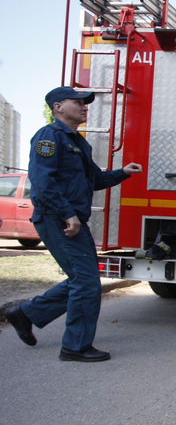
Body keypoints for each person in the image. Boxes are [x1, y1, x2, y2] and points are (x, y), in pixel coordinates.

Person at [3, 86, 142, 363]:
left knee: (83, 279)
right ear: (58, 106)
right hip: (58, 219)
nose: (84, 106)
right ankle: (75, 346)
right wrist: (68, 214)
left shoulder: (79, 142)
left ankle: (25, 313)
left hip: (72, 219)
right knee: (87, 282)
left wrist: (122, 173)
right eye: (77, 102)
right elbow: (43, 182)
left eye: (85, 102)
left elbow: (94, 181)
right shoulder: (49, 137)